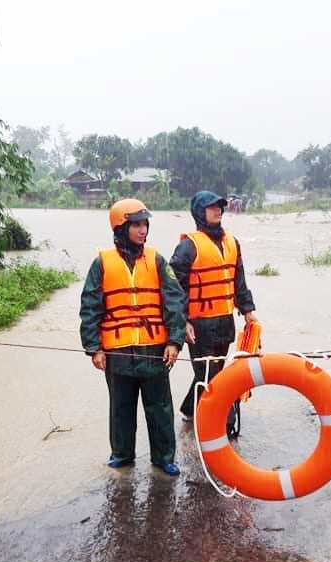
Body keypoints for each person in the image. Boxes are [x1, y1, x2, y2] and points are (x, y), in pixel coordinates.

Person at [79, 198, 187, 476]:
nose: (142, 230)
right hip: (117, 352)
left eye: (144, 224)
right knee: (121, 408)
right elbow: (90, 306)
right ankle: (122, 455)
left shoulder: (157, 260)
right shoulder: (101, 263)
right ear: (120, 227)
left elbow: (175, 302)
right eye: (136, 224)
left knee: (160, 408)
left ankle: (164, 458)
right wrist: (94, 348)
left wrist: (174, 342)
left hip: (154, 350)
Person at [170, 190, 257, 439]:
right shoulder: (188, 246)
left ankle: (188, 410)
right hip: (199, 324)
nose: (218, 210)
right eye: (211, 207)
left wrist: (248, 310)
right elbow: (174, 288)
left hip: (224, 323)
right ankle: (223, 425)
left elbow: (238, 280)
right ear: (200, 211)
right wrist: (182, 320)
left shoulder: (232, 243)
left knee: (213, 369)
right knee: (212, 376)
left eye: (220, 206)